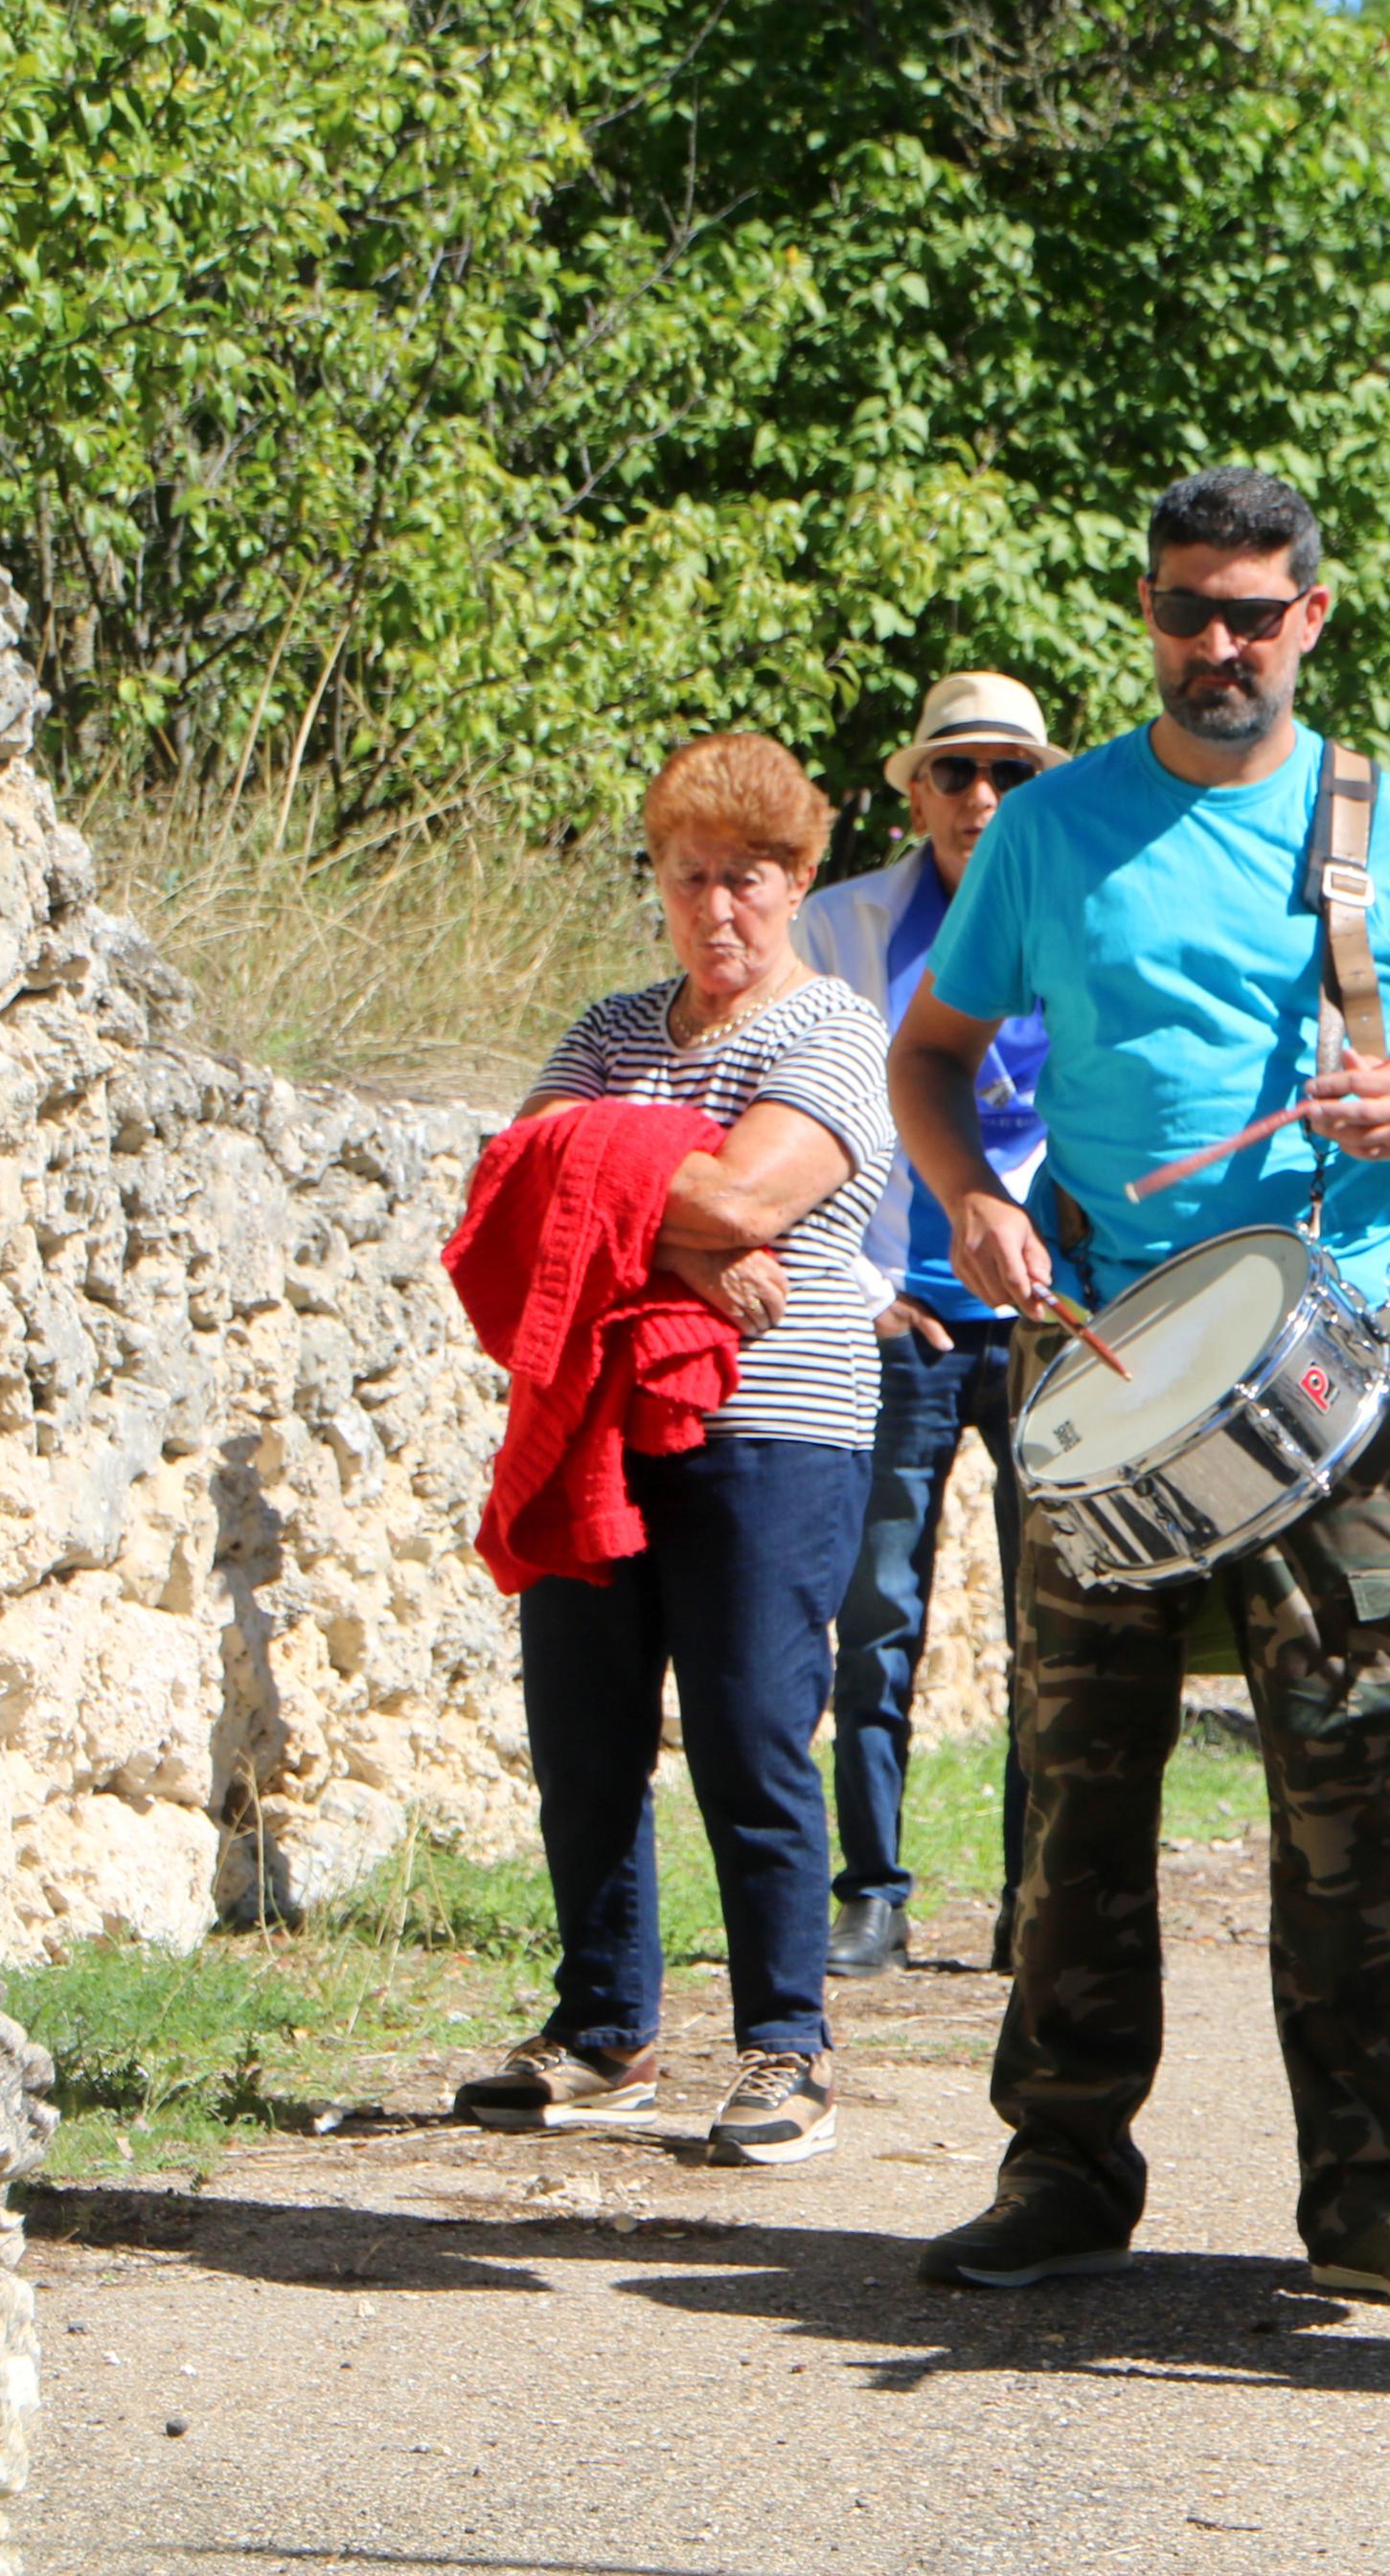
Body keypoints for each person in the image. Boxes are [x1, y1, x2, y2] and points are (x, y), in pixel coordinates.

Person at [891, 464, 1390, 2312]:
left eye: (1251, 613)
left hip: (1336, 1362)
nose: (1215, 646)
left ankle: (1370, 2195)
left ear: (1311, 619)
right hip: (1103, 1351)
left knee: (1338, 1785)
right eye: (1185, 608)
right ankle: (1063, 2170)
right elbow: (932, 1057)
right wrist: (967, 1202)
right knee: (1075, 1786)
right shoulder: (1050, 830)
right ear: (1147, 610)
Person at [449, 733, 898, 2167]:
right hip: (594, 1412)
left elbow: (758, 1190)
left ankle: (785, 2041)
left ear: (800, 881)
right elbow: (515, 1180)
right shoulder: (609, 1023)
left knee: (748, 1732)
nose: (718, 910)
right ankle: (603, 2031)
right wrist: (694, 1246)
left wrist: (633, 1180)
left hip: (771, 1422)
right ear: (657, 878)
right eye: (690, 876)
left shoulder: (832, 1033)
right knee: (581, 1733)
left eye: (748, 880)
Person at [793, 671, 1067, 1981]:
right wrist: (860, 1283)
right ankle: (872, 1891)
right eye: (955, 770)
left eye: (1009, 771)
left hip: (1045, 1322)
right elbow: (798, 1104)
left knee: (1047, 1619)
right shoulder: (845, 926)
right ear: (913, 789)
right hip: (903, 1316)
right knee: (879, 1613)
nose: (981, 797)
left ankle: (1033, 1889)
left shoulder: (1079, 915)